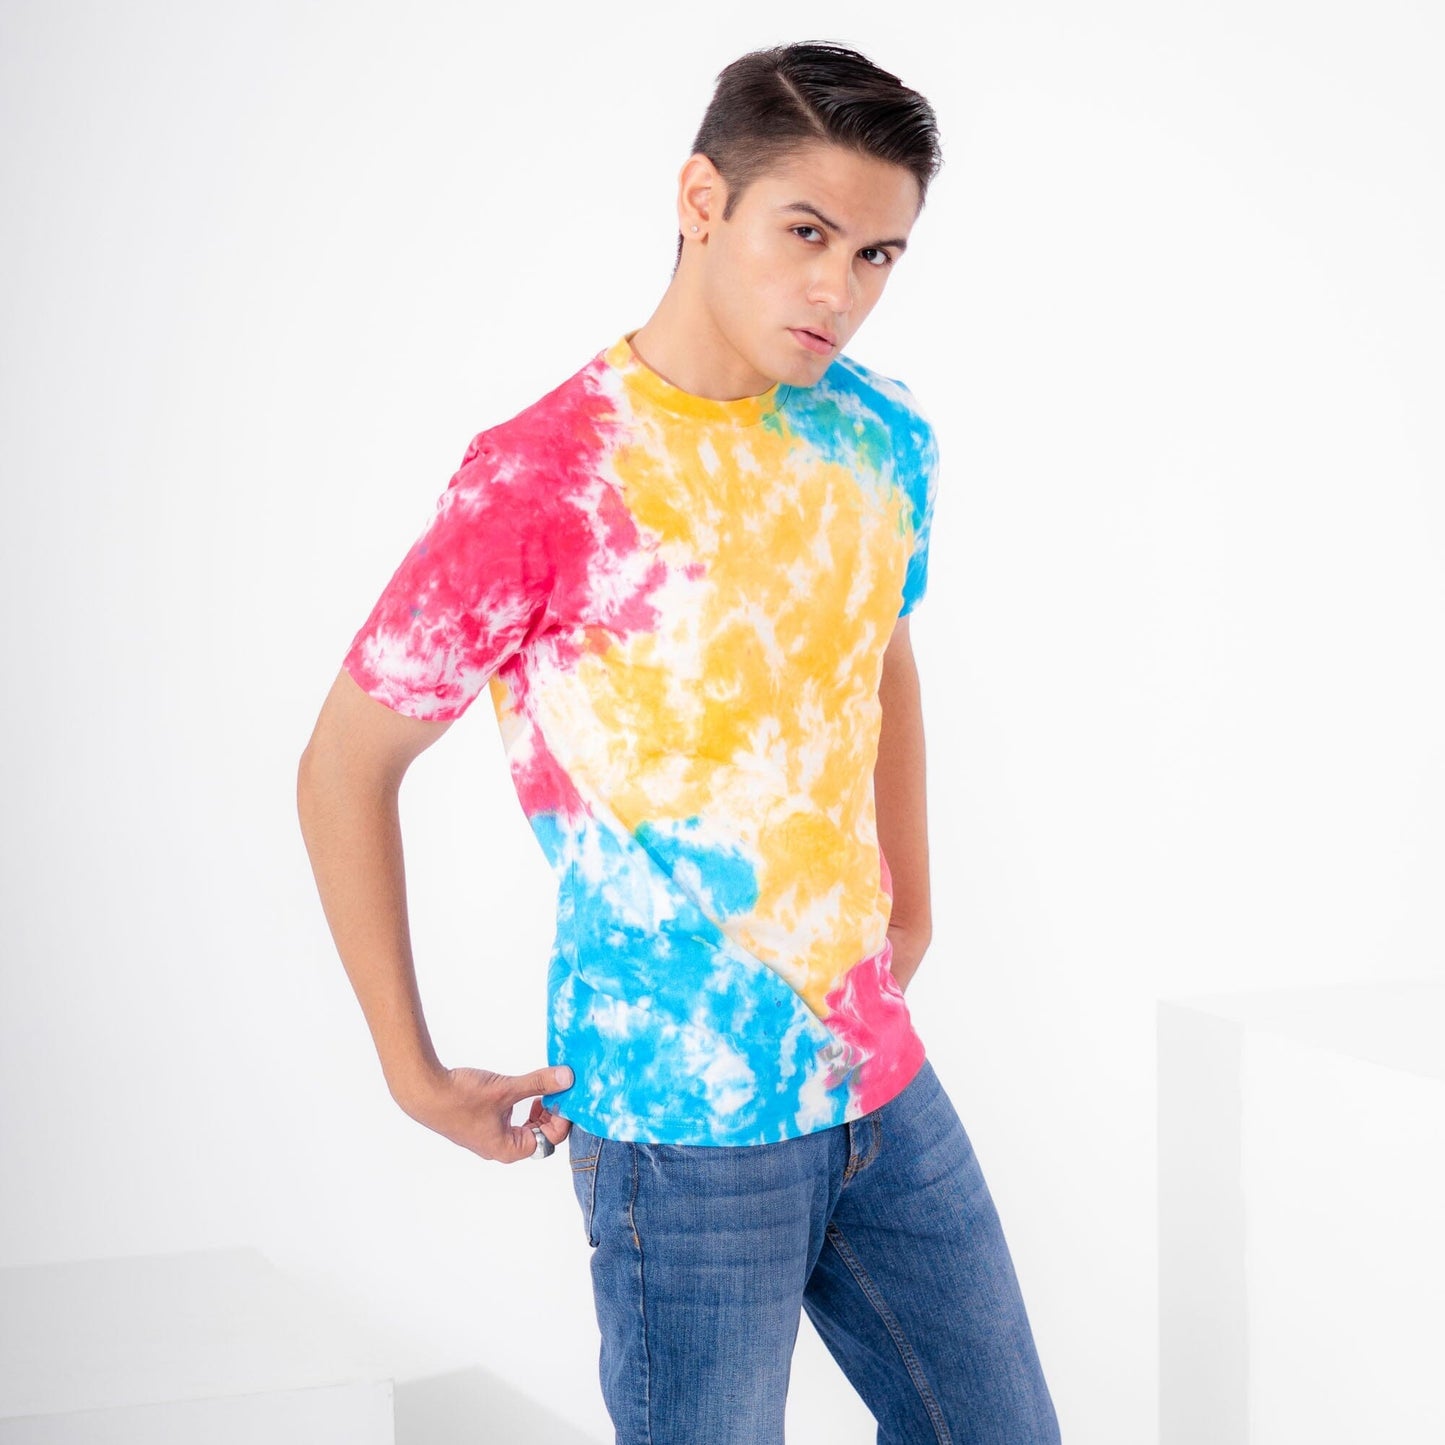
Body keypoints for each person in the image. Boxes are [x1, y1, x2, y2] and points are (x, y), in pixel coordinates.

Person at [297, 39, 1061, 1445]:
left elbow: (881, 654)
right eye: (806, 233)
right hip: (679, 1125)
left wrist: (913, 899)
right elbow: (346, 763)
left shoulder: (879, 437)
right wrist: (410, 1067)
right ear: (703, 200)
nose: (839, 290)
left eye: (878, 255)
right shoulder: (545, 478)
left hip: (872, 1071)